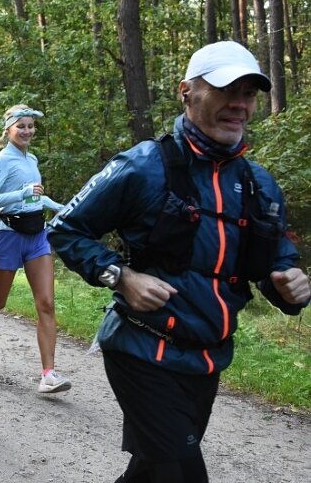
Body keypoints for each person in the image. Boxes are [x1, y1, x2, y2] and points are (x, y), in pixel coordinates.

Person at [48, 41, 310, 482]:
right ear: (186, 92)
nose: (239, 105)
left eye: (249, 94)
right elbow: (65, 228)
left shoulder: (258, 183)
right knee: (182, 474)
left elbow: (273, 262)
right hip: (141, 349)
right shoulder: (144, 165)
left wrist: (290, 285)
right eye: (227, 90)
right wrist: (122, 276)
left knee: (151, 471)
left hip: (208, 357)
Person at [0, 105, 70, 393]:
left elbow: (34, 199)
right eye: (20, 126)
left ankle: (48, 374)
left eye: (31, 126)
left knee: (46, 303)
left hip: (37, 236)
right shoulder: (1, 161)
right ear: (8, 129)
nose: (27, 131)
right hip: (7, 236)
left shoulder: (31, 158)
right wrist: (21, 193)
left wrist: (58, 206)